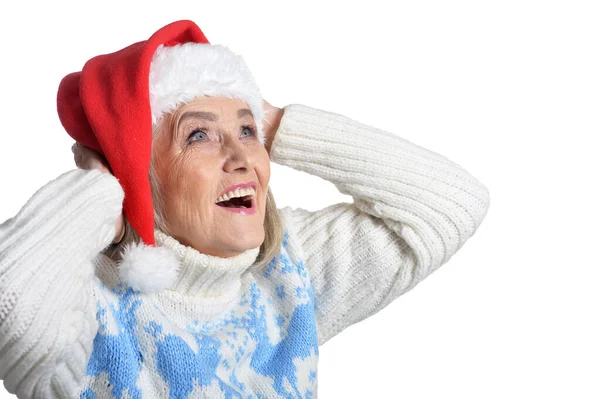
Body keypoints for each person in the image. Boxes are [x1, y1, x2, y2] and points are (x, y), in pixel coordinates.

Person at [0, 19, 490, 399]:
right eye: (199, 136)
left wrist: (273, 123)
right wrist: (101, 192)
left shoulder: (288, 274)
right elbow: (12, 309)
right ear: (137, 173)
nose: (243, 160)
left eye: (247, 132)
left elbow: (451, 203)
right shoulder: (84, 303)